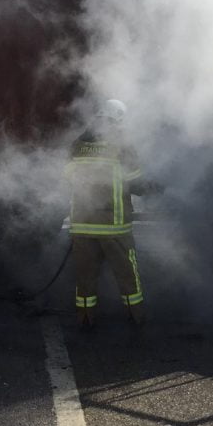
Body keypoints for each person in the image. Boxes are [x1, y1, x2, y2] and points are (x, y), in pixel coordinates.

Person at [65, 98, 146, 334]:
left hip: (82, 224)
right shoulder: (122, 145)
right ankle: (136, 318)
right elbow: (136, 181)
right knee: (127, 275)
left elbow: (67, 175)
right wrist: (156, 188)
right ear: (118, 120)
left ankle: (85, 319)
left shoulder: (78, 144)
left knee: (85, 276)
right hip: (114, 225)